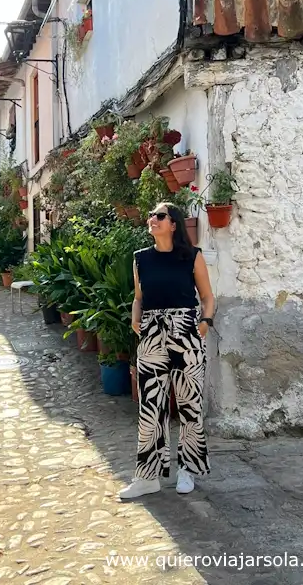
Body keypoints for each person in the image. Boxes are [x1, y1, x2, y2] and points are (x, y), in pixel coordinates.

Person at [119, 202, 215, 499]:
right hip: (151, 333)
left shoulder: (192, 256)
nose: (153, 219)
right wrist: (136, 318)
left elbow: (208, 296)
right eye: (150, 215)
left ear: (173, 224)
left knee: (189, 404)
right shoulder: (140, 259)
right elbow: (139, 297)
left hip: (186, 332)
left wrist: (205, 322)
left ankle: (188, 468)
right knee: (150, 406)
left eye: (159, 216)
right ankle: (147, 476)